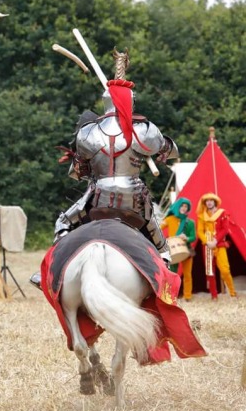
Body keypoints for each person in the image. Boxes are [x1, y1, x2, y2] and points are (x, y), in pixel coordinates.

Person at [30, 49, 178, 289]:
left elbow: (78, 172)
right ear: (130, 102)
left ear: (105, 101)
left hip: (98, 198)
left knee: (64, 223)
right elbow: (170, 151)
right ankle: (165, 271)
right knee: (156, 235)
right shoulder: (143, 129)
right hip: (134, 199)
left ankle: (49, 274)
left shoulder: (88, 131)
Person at [196, 193, 237, 298]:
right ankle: (214, 296)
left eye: (211, 200)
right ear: (205, 203)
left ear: (215, 202)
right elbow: (200, 231)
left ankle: (232, 293)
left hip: (219, 244)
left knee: (225, 269)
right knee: (210, 271)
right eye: (207, 201)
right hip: (207, 246)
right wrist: (207, 242)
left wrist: (215, 240)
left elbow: (225, 229)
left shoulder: (222, 213)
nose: (209, 202)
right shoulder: (201, 216)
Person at [160, 198, 197, 301]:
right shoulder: (170, 219)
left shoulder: (190, 222)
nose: (184, 208)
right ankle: (172, 295)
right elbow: (158, 229)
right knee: (172, 273)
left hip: (186, 249)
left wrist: (187, 238)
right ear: (178, 206)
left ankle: (188, 296)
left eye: (186, 207)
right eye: (182, 206)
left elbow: (193, 237)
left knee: (188, 274)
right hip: (173, 249)